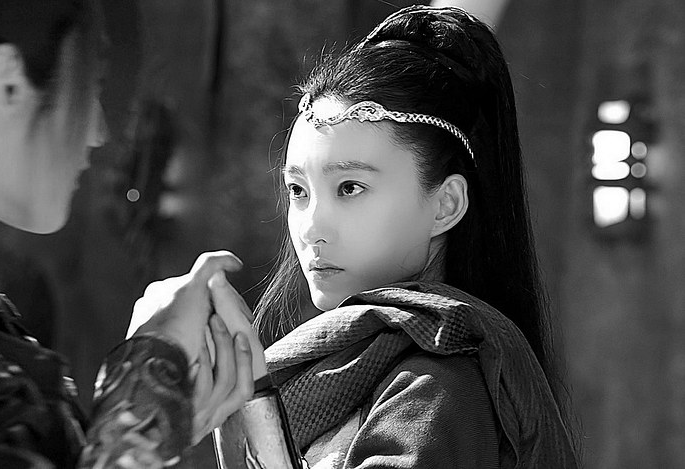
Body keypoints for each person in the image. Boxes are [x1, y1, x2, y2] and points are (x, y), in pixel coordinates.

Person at [0, 1, 261, 468]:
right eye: (91, 85)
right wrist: (146, 385)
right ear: (7, 83)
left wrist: (158, 411)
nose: (98, 132)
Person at [243, 5, 580, 468]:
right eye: (298, 191)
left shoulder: (437, 386)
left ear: (446, 205)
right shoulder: (361, 370)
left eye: (350, 188)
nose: (311, 228)